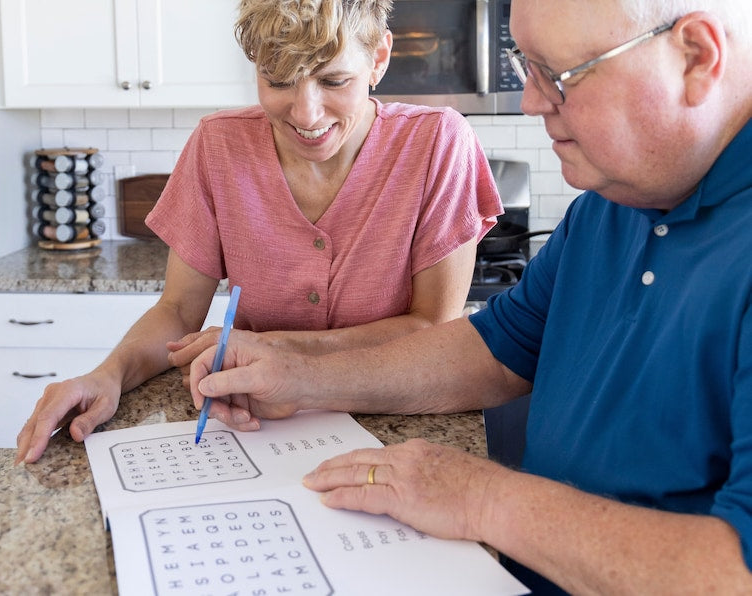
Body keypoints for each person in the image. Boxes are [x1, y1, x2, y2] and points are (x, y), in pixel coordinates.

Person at [185, 0, 752, 592]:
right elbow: (494, 350)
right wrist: (300, 378)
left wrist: (482, 498)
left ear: (696, 57)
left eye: (557, 76)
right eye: (524, 67)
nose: (532, 101)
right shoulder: (613, 204)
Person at [15, 0, 501, 465]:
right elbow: (179, 310)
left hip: (395, 420)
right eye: (279, 80)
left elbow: (432, 329)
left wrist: (278, 350)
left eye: (335, 80)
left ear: (379, 59)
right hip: (255, 422)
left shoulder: (438, 142)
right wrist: (109, 374)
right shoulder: (217, 145)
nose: (307, 114)